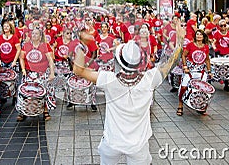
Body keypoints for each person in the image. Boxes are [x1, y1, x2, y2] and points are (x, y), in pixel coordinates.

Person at [73, 21, 184, 164]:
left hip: (111, 143)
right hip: (138, 146)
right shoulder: (150, 79)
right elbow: (171, 62)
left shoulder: (109, 80)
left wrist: (83, 44)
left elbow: (78, 70)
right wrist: (180, 40)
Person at [18, 27, 55, 121]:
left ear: (40, 36)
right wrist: (23, 69)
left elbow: (50, 60)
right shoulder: (26, 45)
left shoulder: (45, 46)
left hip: (42, 73)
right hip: (29, 73)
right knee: (26, 92)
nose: (34, 35)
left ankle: (45, 111)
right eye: (33, 33)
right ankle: (23, 112)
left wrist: (52, 73)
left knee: (44, 92)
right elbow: (21, 58)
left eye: (36, 34)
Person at [177, 30, 212, 115]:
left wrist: (209, 71)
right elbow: (183, 55)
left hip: (201, 72)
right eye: (197, 34)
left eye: (200, 34)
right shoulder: (190, 45)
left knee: (204, 90)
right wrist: (185, 66)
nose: (199, 36)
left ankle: (201, 106)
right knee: (184, 87)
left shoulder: (206, 47)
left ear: (203, 37)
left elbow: (207, 59)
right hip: (190, 71)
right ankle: (180, 105)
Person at [0, 21, 21, 105]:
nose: (5, 28)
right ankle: (3, 96)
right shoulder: (0, 37)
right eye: (4, 26)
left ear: (10, 28)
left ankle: (15, 96)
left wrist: (14, 61)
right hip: (3, 61)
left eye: (7, 26)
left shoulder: (14, 37)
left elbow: (18, 49)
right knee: (2, 79)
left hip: (12, 61)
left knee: (15, 80)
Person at [211, 19, 229, 92]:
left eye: (224, 25)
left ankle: (226, 84)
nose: (223, 27)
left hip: (227, 53)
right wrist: (215, 49)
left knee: (228, 69)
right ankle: (215, 78)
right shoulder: (217, 34)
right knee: (219, 68)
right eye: (221, 25)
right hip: (220, 53)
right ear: (219, 26)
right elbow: (213, 43)